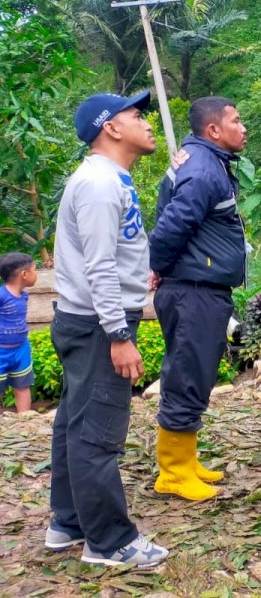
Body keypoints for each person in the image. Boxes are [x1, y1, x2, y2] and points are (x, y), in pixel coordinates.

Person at [45, 90, 169, 567]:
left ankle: (68, 522)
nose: (147, 123)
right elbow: (98, 266)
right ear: (111, 128)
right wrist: (119, 334)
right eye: (136, 116)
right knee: (97, 433)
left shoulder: (109, 178)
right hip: (99, 325)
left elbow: (114, 252)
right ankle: (110, 541)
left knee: (76, 424)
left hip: (90, 320)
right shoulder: (99, 183)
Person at [147, 96, 248, 502]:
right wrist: (158, 265)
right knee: (187, 377)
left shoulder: (205, 161)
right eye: (236, 121)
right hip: (192, 289)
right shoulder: (204, 169)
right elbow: (173, 223)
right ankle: (173, 472)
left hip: (199, 287)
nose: (243, 128)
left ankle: (186, 461)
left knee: (196, 374)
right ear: (214, 130)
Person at [0, 252, 37, 413]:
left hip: (21, 349)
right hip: (1, 351)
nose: (36, 274)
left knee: (22, 385)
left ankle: (25, 419)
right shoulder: (2, 295)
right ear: (24, 274)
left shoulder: (24, 296)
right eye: (34, 270)